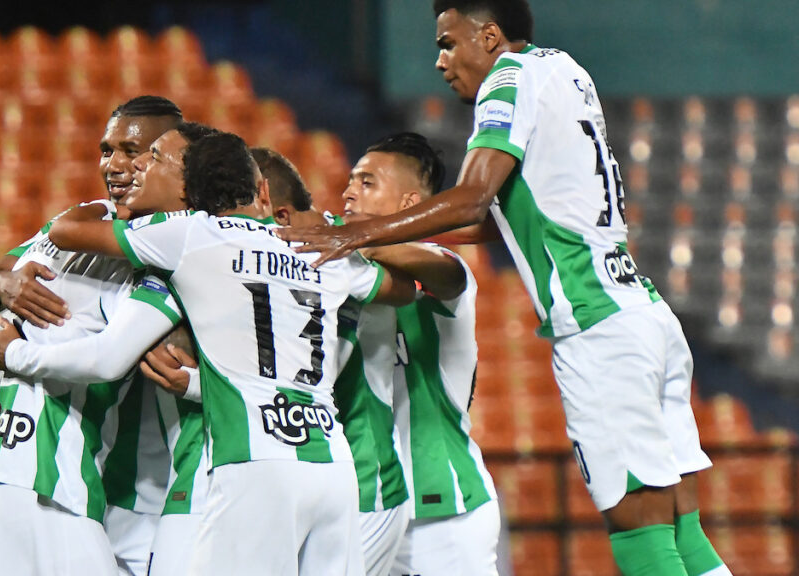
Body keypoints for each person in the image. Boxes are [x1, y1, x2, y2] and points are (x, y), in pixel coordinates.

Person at [277, 2, 730, 575]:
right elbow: (505, 216)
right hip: (643, 309)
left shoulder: (507, 80)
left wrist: (352, 234)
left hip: (595, 323)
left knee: (639, 530)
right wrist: (367, 234)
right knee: (682, 528)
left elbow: (470, 198)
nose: (441, 61)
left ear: (489, 36)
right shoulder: (565, 71)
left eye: (448, 42)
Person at [47, 132, 414, 576]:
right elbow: (402, 289)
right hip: (333, 466)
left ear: (192, 197)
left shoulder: (190, 235)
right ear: (261, 190)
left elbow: (65, 233)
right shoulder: (316, 245)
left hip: (255, 464)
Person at [0, 96, 183, 576]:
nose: (114, 164)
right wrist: (2, 283)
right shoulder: (81, 221)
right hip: (44, 480)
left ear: (171, 160)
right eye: (107, 150)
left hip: (19, 479)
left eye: (133, 151)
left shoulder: (150, 240)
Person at [335, 133, 501, 576]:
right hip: (364, 506)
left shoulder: (443, 268)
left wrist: (360, 239)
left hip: (443, 515)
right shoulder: (345, 276)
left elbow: (449, 278)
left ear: (410, 201)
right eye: (350, 181)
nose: (349, 191)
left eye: (367, 183)